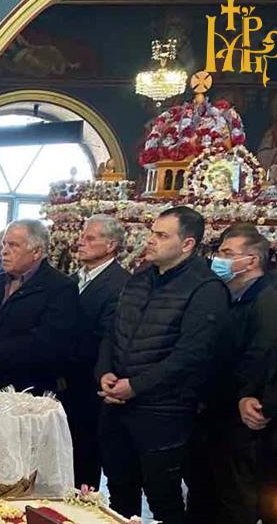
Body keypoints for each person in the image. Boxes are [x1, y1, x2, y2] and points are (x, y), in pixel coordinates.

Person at [96, 206, 230, 524]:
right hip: (117, 404)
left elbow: (191, 355)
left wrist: (135, 386)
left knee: (163, 499)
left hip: (164, 412)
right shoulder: (139, 279)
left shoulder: (206, 288)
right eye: (151, 232)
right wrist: (104, 372)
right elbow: (112, 332)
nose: (150, 240)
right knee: (119, 492)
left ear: (187, 244)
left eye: (161, 235)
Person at [187, 223, 277, 523]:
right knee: (206, 492)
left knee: (236, 498)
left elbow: (261, 356)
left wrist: (243, 395)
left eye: (227, 253)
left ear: (251, 260)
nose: (218, 260)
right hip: (215, 411)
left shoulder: (273, 298)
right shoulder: (229, 293)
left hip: (241, 415)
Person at [0, 219, 78, 393]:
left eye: (13, 245)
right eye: (4, 244)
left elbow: (47, 343)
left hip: (26, 391)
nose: (4, 251)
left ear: (36, 251)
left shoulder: (61, 288)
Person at [65, 214, 129, 488]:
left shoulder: (121, 284)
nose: (81, 242)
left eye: (90, 238)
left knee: (83, 459)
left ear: (111, 245)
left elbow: (106, 337)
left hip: (88, 384)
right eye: (81, 236)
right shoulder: (72, 279)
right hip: (62, 382)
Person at [239, 305, 277, 524]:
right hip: (276, 439)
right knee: (271, 510)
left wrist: (269, 407)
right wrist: (247, 396)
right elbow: (274, 354)